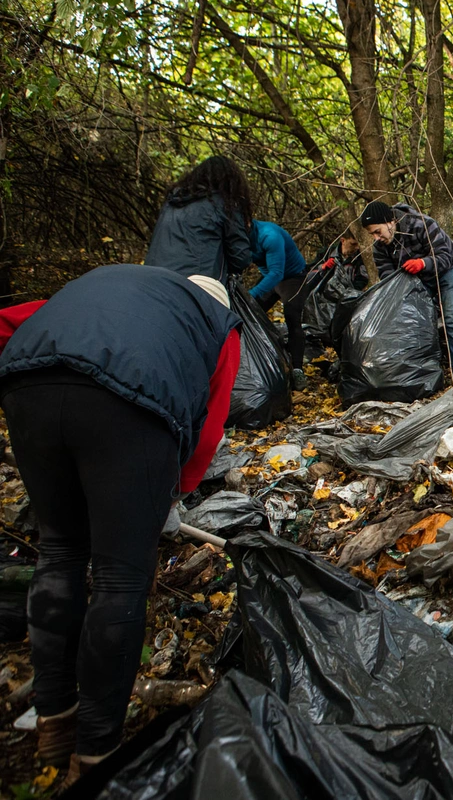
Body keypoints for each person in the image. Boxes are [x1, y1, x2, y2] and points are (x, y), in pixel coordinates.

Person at [0, 265, 242, 782]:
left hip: (26, 381)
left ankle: (54, 717)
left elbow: (10, 324)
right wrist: (173, 495)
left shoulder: (119, 288)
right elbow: (208, 429)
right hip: (130, 397)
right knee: (120, 576)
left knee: (59, 551)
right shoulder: (219, 325)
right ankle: (97, 751)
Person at [361, 200, 453, 383]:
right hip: (418, 279)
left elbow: (444, 256)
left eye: (377, 231)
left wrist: (422, 263)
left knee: (452, 320)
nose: (376, 238)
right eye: (372, 234)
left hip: (448, 270)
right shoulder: (380, 247)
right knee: (417, 321)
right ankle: (424, 375)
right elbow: (389, 277)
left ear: (390, 221)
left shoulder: (422, 224)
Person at [144, 155, 254, 286]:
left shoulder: (172, 202)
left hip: (151, 280)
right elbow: (241, 258)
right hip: (193, 285)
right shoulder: (224, 204)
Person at [248, 218, 308, 389]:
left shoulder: (269, 236)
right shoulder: (236, 236)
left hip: (293, 276)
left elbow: (276, 273)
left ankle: (297, 369)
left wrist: (251, 295)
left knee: (292, 316)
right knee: (250, 311)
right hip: (269, 277)